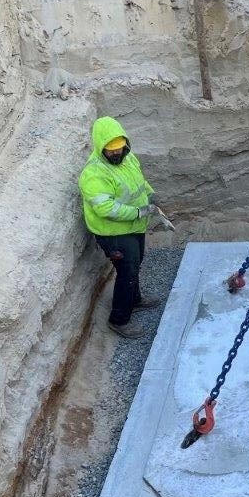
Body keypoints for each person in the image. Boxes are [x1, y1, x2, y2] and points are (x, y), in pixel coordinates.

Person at [79, 116, 162, 339]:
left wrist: (150, 194)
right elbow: (105, 208)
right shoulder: (94, 174)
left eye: (120, 149)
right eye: (111, 151)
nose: (117, 154)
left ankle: (134, 299)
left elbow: (139, 181)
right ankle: (119, 320)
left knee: (136, 263)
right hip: (114, 233)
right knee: (127, 272)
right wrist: (137, 213)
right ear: (101, 147)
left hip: (134, 226)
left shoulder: (128, 158)